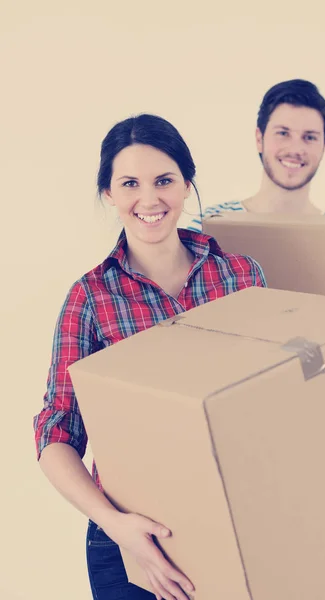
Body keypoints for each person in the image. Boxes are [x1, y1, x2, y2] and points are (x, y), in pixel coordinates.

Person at [33, 113, 266, 600]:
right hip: (130, 544)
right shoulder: (90, 299)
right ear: (109, 195)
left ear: (186, 186)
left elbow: (272, 402)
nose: (149, 199)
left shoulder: (241, 278)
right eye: (130, 183)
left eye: (164, 180)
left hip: (237, 528)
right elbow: (56, 434)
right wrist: (117, 526)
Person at [188, 79, 325, 303]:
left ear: (323, 147)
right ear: (259, 139)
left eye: (309, 137)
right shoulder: (203, 229)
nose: (296, 149)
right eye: (283, 133)